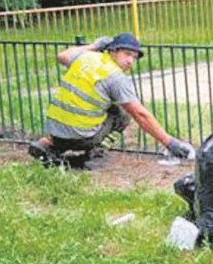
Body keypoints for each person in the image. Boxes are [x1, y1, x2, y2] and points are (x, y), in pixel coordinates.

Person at [28, 33, 194, 166]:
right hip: (82, 137)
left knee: (91, 114)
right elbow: (140, 114)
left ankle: (49, 144)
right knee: (122, 114)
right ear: (112, 50)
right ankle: (96, 153)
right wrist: (169, 142)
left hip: (55, 128)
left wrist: (94, 46)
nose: (130, 61)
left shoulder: (86, 57)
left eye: (134, 57)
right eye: (127, 54)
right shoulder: (115, 76)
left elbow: (62, 55)